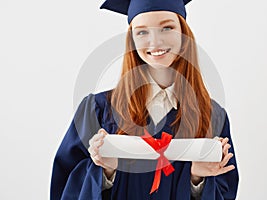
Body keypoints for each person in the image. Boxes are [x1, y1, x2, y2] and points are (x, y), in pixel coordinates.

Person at [50, 0, 239, 199]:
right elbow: (65, 186)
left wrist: (198, 181)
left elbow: (226, 191)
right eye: (142, 32)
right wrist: (105, 173)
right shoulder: (98, 109)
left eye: (167, 28)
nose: (155, 42)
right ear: (131, 39)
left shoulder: (211, 115)